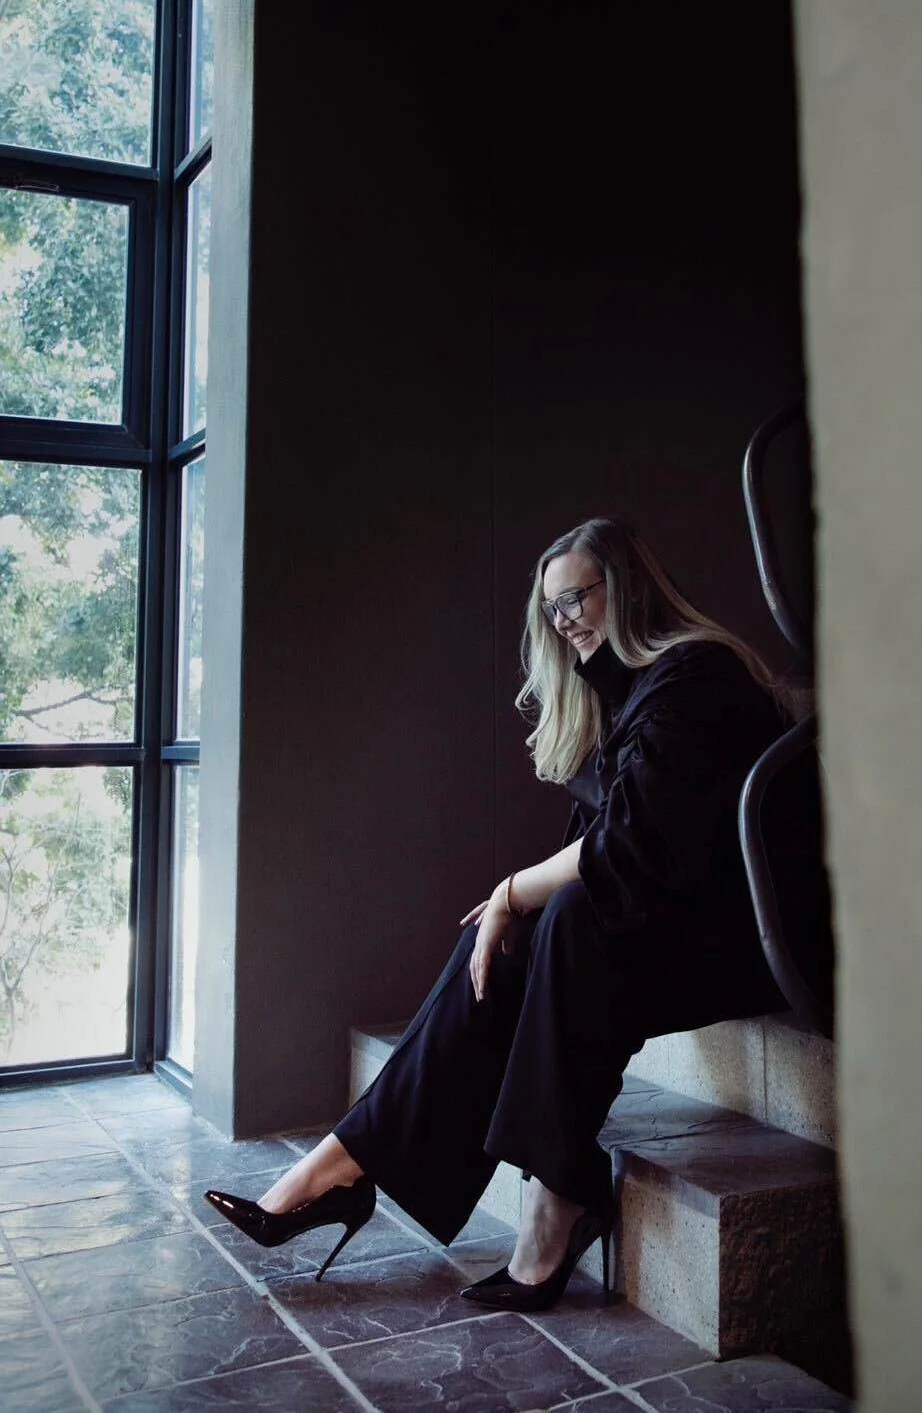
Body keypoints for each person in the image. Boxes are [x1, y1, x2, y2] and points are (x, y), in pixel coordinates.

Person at [205, 516, 788, 1310]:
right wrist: (510, 913)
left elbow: (629, 852)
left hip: (747, 942)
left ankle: (554, 1201)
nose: (567, 619)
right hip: (665, 936)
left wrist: (516, 891)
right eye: (552, 609)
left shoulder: (698, 677)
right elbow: (613, 852)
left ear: (629, 589)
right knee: (516, 942)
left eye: (578, 596)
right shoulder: (626, 699)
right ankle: (341, 1164)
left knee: (567, 921)